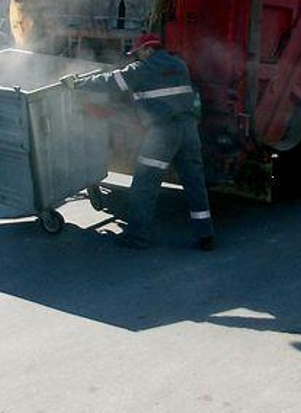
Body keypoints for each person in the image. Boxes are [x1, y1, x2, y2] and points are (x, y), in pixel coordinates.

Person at [62, 33, 215, 251]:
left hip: (163, 134)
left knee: (144, 184)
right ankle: (206, 235)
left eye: (138, 53)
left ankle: (137, 236)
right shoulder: (180, 65)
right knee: (194, 183)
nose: (136, 58)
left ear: (148, 50)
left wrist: (78, 84)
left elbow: (112, 82)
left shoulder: (142, 69)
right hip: (189, 130)